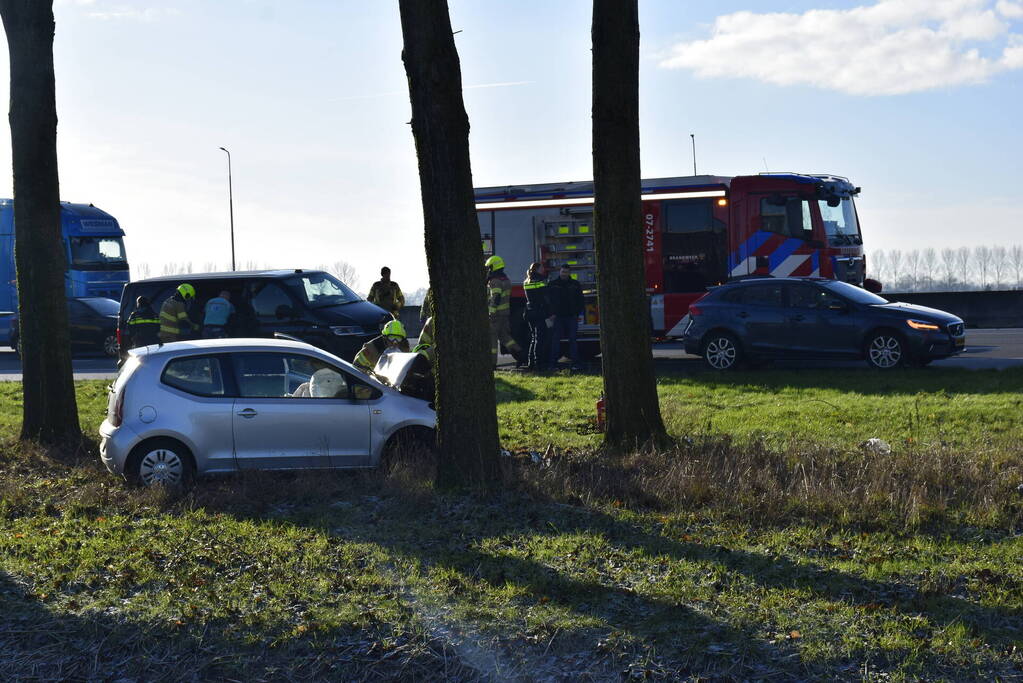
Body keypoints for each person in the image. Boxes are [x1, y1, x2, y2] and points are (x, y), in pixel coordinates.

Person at [485, 255, 525, 368]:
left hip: (496, 315)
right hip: (505, 314)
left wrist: (491, 312)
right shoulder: (505, 279)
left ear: (494, 266)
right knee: (505, 337)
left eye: (489, 267)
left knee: (492, 339)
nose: (488, 270)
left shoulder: (494, 281)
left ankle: (492, 364)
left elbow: (496, 297)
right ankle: (521, 355)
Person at [547, 265, 586, 369]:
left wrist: (576, 313)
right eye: (563, 272)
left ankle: (575, 363)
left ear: (569, 273)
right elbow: (548, 301)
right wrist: (551, 313)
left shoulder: (575, 284)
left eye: (566, 272)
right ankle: (553, 363)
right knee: (555, 340)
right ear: (559, 272)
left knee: (573, 340)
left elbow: (581, 300)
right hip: (557, 317)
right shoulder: (553, 284)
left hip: (571, 316)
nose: (564, 274)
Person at [522, 262, 552, 371]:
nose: (543, 269)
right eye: (542, 267)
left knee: (533, 338)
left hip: (530, 312)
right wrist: (550, 313)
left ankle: (531, 363)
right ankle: (538, 363)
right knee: (539, 338)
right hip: (539, 312)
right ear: (537, 269)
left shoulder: (526, 281)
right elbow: (545, 298)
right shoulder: (540, 281)